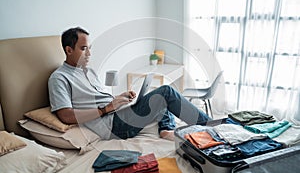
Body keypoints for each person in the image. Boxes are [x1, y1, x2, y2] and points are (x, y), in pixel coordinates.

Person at [48, 27, 211, 141]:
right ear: (69, 50)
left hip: (117, 114)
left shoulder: (88, 71)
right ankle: (212, 127)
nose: (89, 54)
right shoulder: (59, 78)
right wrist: (107, 108)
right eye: (84, 49)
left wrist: (119, 98)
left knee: (155, 94)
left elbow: (100, 99)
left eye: (89, 48)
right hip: (113, 126)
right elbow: (66, 116)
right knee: (166, 92)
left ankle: (166, 128)